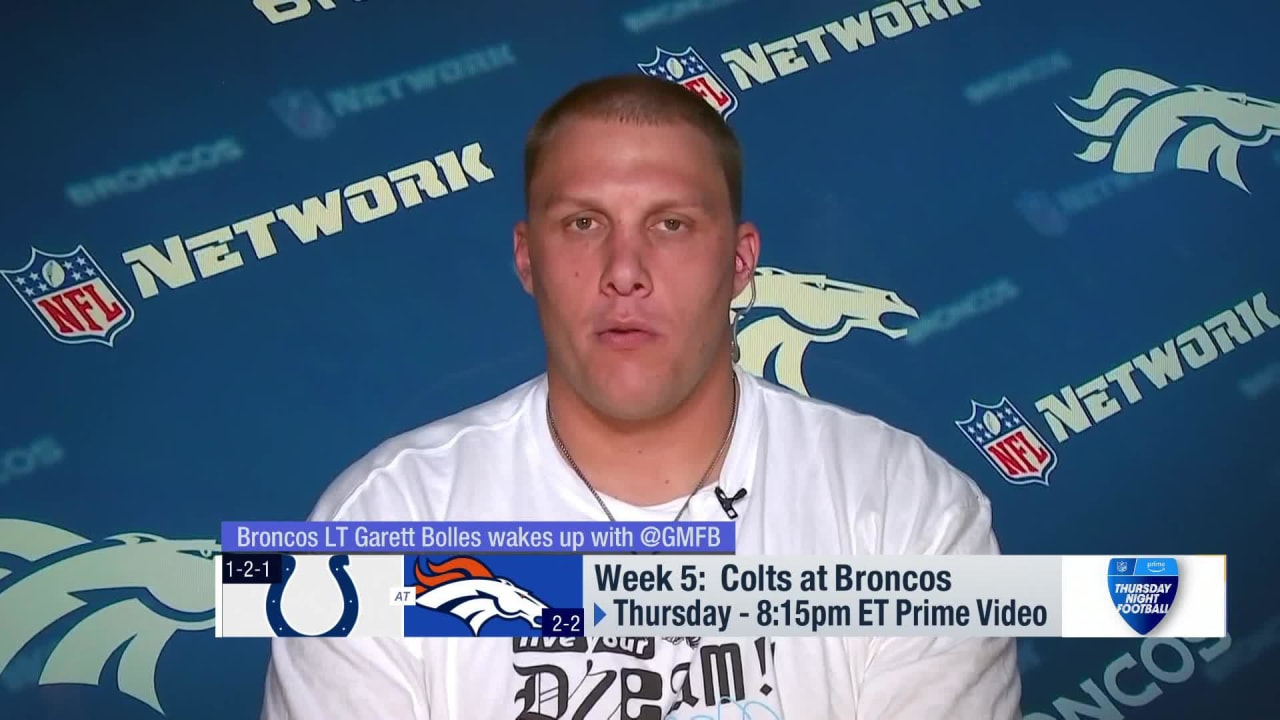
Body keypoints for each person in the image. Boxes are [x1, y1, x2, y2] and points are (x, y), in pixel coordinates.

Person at [260, 73, 1022, 719]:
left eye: (672, 224)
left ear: (739, 262)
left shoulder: (905, 509)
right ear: (527, 259)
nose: (625, 269)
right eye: (584, 222)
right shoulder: (379, 525)